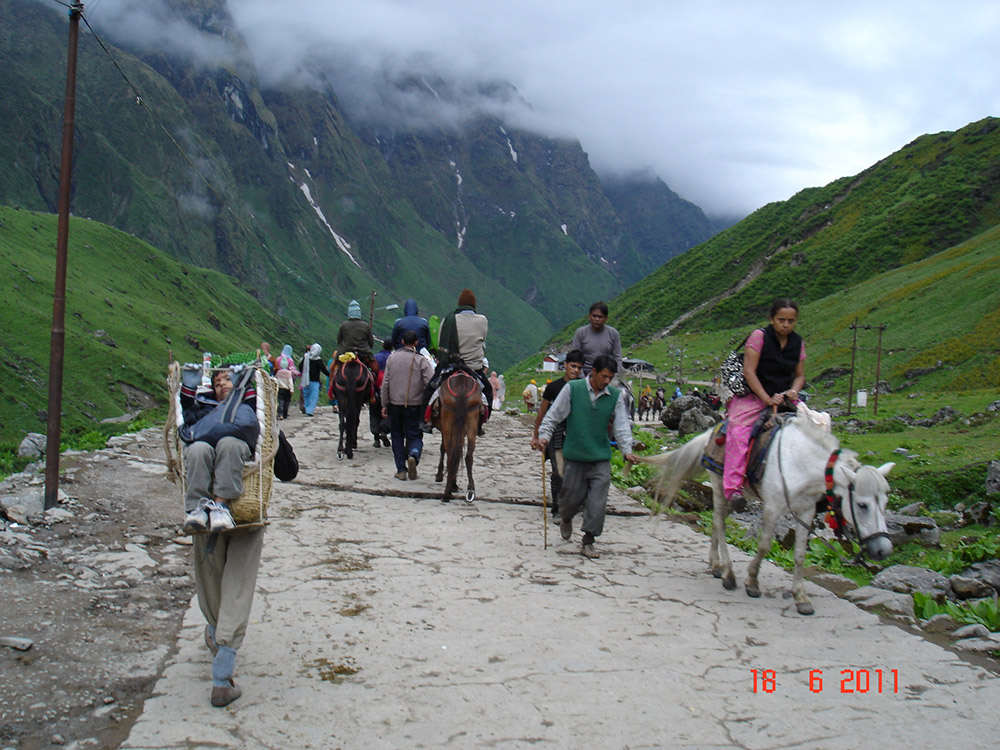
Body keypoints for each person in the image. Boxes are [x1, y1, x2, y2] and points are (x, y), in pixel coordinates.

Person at [178, 367, 263, 707]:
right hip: (237, 516)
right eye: (216, 382)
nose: (222, 384)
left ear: (237, 384)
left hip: (234, 507)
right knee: (236, 583)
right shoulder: (235, 410)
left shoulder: (242, 410)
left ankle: (216, 638)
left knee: (209, 572)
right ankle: (222, 673)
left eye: (227, 380)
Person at [534, 354, 639, 559]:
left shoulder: (615, 397)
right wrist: (544, 436)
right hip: (574, 457)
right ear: (594, 373)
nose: (607, 381)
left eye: (610, 377)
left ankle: (589, 540)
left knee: (597, 502)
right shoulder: (574, 389)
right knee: (570, 500)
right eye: (604, 376)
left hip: (600, 458)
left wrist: (627, 451)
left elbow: (622, 426)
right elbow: (554, 414)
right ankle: (566, 517)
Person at [724, 298, 806, 511]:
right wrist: (767, 398)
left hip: (785, 398)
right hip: (755, 396)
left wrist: (794, 390)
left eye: (791, 321)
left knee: (815, 427)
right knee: (738, 430)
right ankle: (733, 489)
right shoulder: (759, 337)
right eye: (781, 320)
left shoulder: (798, 343)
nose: (786, 325)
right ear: (771, 319)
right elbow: (749, 371)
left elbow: (800, 375)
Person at [425, 288, 492, 427]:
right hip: (474, 368)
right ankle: (482, 422)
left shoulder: (448, 321)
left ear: (459, 304)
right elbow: (482, 342)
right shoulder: (482, 321)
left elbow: (441, 345)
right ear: (474, 305)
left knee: (429, 390)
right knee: (488, 391)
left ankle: (425, 420)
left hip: (450, 366)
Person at [531, 350, 584, 518]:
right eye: (573, 366)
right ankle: (557, 510)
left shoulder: (583, 387)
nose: (575, 370)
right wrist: (536, 436)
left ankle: (575, 503)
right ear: (565, 365)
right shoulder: (553, 387)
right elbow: (542, 412)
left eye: (579, 368)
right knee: (557, 471)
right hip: (556, 433)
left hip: (576, 434)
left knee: (576, 472)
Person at [382, 330, 435, 480]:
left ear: (403, 342)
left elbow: (386, 382)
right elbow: (430, 382)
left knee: (397, 435)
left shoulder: (392, 358)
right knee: (415, 434)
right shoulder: (421, 360)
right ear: (416, 343)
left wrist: (384, 403)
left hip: (395, 404)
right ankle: (414, 454)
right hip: (415, 404)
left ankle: (401, 470)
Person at [570, 302, 623, 375]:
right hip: (584, 371)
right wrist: (582, 378)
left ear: (606, 318)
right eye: (594, 316)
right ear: (589, 316)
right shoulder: (581, 333)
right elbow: (575, 357)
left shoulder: (613, 334)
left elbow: (617, 357)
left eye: (600, 317)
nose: (597, 319)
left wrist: (615, 375)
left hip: (605, 372)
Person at [337, 299, 375, 365]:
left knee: (334, 368)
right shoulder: (366, 325)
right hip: (364, 353)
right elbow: (371, 342)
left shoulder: (343, 325)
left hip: (346, 352)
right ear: (359, 312)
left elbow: (339, 341)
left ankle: (331, 375)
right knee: (375, 369)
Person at [299, 343, 329, 416]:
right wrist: (330, 375)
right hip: (315, 381)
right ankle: (310, 410)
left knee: (306, 395)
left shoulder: (306, 357)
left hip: (306, 380)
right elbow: (324, 370)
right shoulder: (318, 360)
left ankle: (307, 408)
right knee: (313, 396)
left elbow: (300, 367)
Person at [274, 345, 299, 419]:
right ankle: (285, 413)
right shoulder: (290, 361)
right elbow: (293, 371)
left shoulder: (278, 359)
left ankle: (280, 413)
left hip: (280, 385)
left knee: (281, 400)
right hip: (288, 385)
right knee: (287, 400)